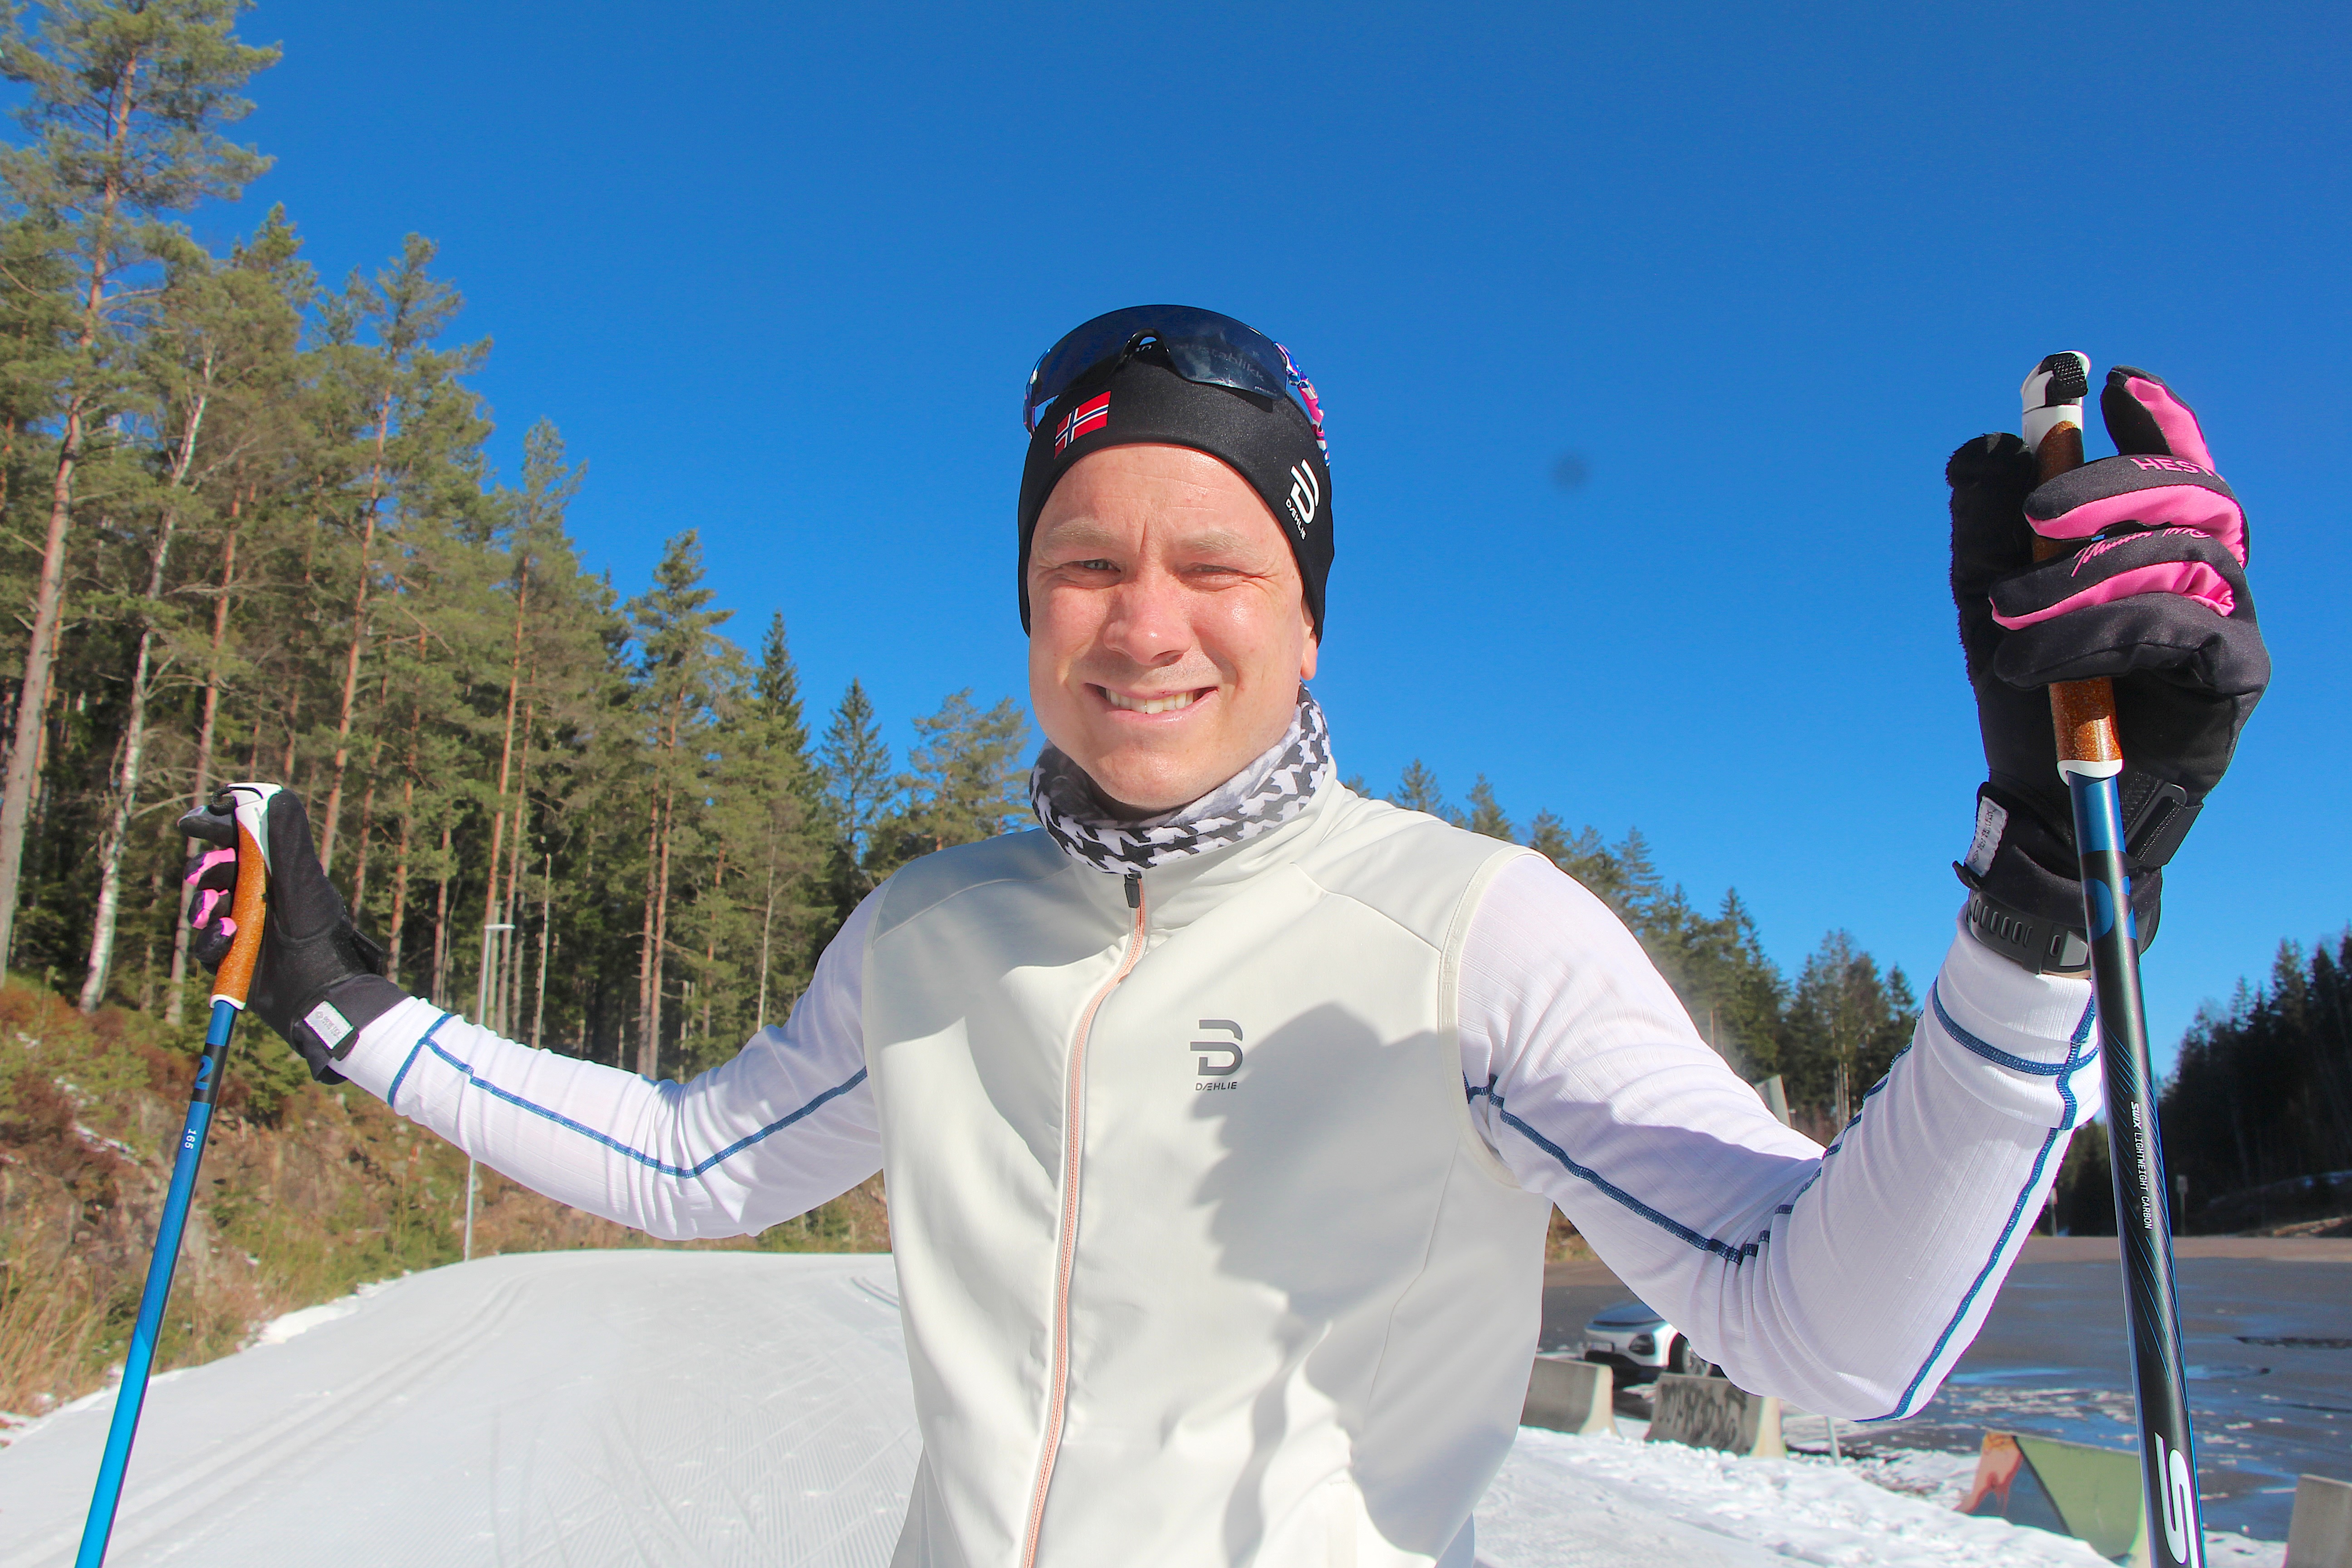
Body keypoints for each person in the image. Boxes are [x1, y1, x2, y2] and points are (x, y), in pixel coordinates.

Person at [185, 306, 2267, 1568]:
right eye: (1086, 561)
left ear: (1308, 607)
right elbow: (690, 1160)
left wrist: (2042, 919)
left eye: (1217, 562)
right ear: (1025, 611)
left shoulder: (1468, 931)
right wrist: (345, 1010)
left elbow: (1830, 1340)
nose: (1146, 618)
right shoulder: (936, 932)